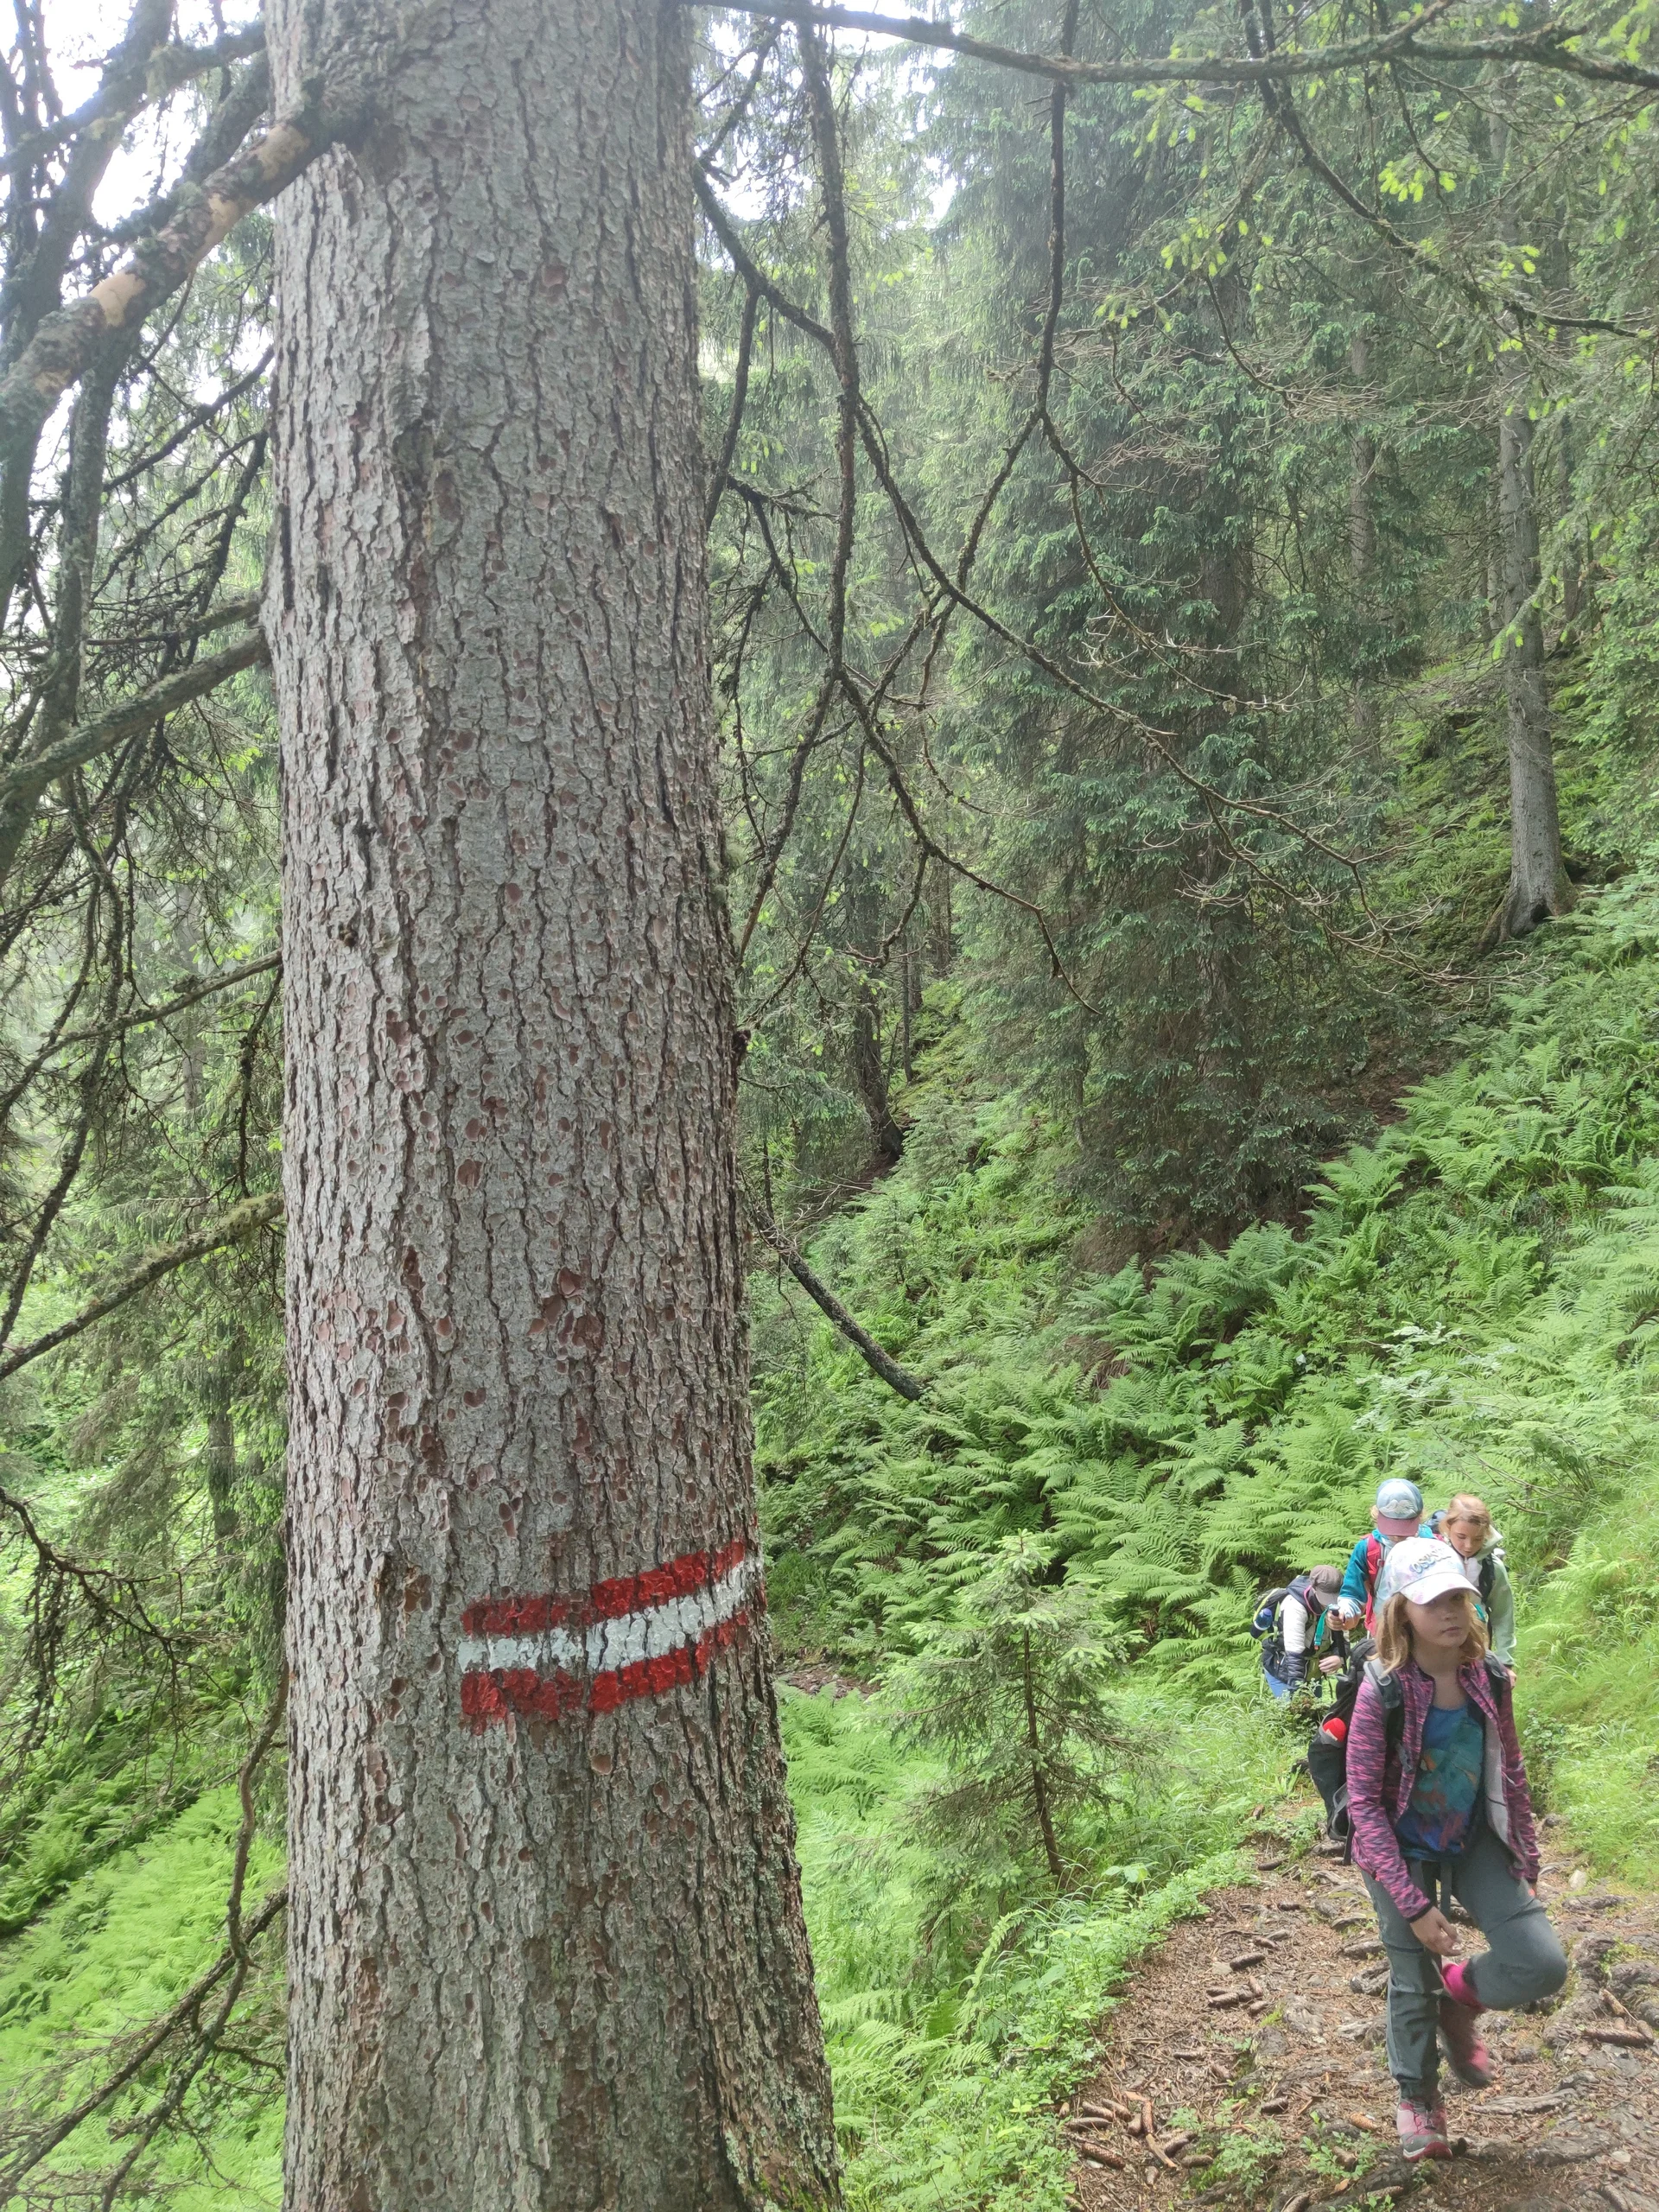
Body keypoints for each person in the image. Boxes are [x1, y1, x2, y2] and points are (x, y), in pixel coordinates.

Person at [1345, 1537, 1566, 2164]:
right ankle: (1418, 2098)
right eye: (1432, 1601)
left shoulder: (1489, 1676)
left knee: (1540, 1962)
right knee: (1411, 1981)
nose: (1449, 1611)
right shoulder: (1382, 1690)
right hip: (1398, 1853)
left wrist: (1526, 1855)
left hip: (1472, 1841)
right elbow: (1363, 1806)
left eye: (1459, 1598)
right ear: (1401, 1611)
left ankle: (1462, 1995)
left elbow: (1512, 1769)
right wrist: (1413, 1905)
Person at [1429, 1492, 1516, 1672]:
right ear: (1447, 1527)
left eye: (1477, 1539)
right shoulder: (1431, 1563)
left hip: (1479, 1652)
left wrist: (1505, 1661)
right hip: (1436, 1653)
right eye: (1461, 1537)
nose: (1469, 1546)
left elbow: (1503, 1615)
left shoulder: (1492, 1568)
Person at [1333, 1478, 1426, 1633]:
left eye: (1404, 1527)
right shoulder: (1368, 1548)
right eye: (1391, 1526)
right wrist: (1344, 1613)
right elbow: (1353, 1593)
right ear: (1376, 1516)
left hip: (1425, 1633)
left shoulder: (1432, 1546)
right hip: (1384, 1631)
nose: (1396, 1535)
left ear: (1419, 1517)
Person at [1255, 1565, 1345, 1698]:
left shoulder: (1339, 1603)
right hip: (1284, 1673)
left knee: (1316, 1717)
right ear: (1314, 1589)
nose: (1330, 1602)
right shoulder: (1295, 1606)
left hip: (1313, 1674)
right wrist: (1296, 1697)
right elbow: (1294, 1655)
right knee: (1293, 1714)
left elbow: (1343, 1639)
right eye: (1326, 1597)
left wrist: (1339, 1658)